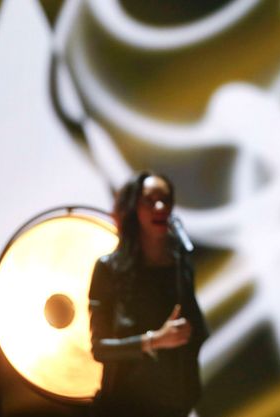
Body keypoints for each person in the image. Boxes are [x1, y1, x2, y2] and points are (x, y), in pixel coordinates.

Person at [89, 172, 209, 417]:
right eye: (150, 200)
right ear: (133, 208)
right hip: (126, 405)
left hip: (176, 405)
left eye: (166, 199)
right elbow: (99, 348)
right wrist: (154, 340)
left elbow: (197, 327)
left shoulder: (180, 264)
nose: (160, 206)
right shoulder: (109, 269)